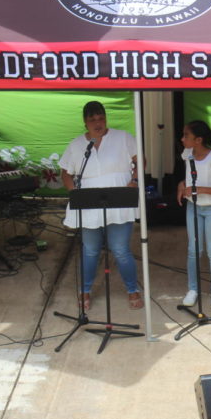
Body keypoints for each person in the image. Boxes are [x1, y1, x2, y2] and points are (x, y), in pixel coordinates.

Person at [59, 101, 143, 311]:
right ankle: (85, 291)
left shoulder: (122, 137)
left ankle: (132, 289)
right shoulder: (77, 144)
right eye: (92, 120)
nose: (98, 123)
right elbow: (66, 172)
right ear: (85, 122)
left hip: (119, 200)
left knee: (120, 249)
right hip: (89, 203)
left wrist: (134, 180)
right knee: (90, 250)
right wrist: (74, 193)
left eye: (101, 118)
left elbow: (139, 160)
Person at [176, 120, 211, 309]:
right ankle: (193, 289)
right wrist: (181, 185)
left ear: (198, 140)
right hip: (193, 207)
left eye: (186, 136)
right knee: (193, 250)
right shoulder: (187, 154)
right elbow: (187, 179)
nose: (182, 138)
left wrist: (199, 189)